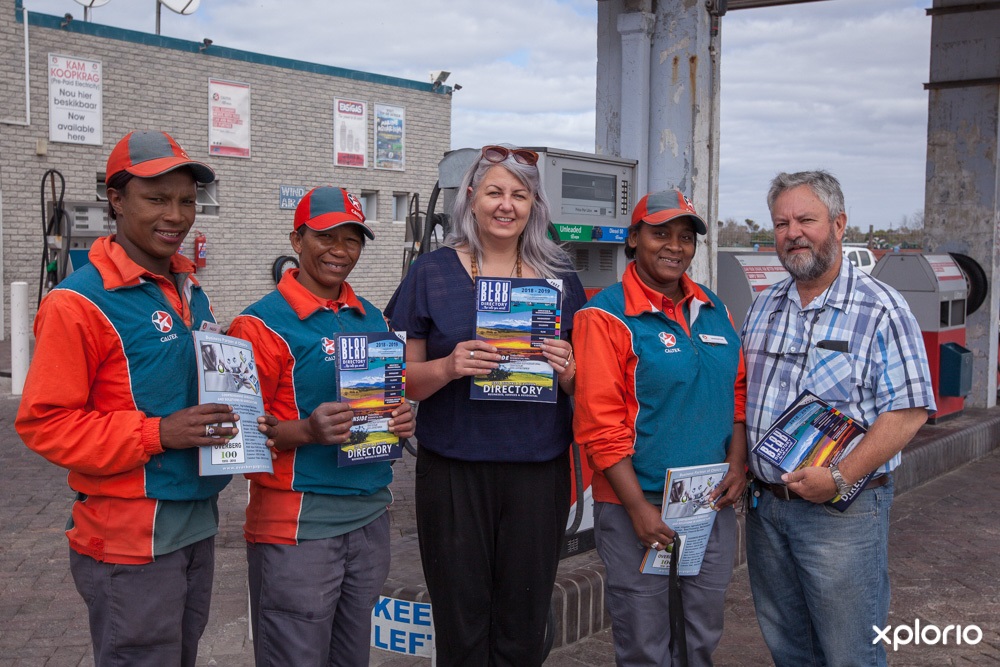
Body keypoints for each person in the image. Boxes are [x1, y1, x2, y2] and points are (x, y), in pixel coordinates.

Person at [15, 130, 248, 666]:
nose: (176, 216)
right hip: (129, 539)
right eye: (157, 199)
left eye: (187, 200)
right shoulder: (78, 302)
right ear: (116, 199)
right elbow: (45, 424)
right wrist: (158, 432)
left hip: (196, 521)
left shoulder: (188, 287)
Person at [386, 145, 586, 665]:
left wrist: (568, 369)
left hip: (537, 471)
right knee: (461, 621)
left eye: (520, 194)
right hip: (454, 471)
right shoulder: (430, 273)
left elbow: (585, 387)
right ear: (471, 199)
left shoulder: (560, 277)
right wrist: (448, 366)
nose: (506, 204)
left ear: (534, 205)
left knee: (524, 624)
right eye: (495, 192)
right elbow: (401, 382)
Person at [740, 171, 935, 666]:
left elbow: (909, 411)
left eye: (806, 220)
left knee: (850, 653)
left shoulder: (882, 309)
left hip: (840, 515)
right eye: (781, 223)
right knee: (790, 651)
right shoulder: (763, 307)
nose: (793, 234)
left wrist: (840, 477)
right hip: (768, 511)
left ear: (839, 224)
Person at [227, 186, 415, 667]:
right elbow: (234, 438)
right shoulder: (259, 324)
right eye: (326, 236)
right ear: (297, 240)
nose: (340, 250)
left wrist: (400, 417)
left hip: (370, 517)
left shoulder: (372, 317)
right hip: (298, 525)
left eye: (352, 239)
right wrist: (306, 432)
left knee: (351, 658)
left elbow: (384, 406)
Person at [573, 189, 748, 666]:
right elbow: (599, 425)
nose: (675, 246)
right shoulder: (604, 315)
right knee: (644, 643)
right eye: (661, 234)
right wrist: (637, 509)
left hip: (709, 502)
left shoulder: (713, 308)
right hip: (639, 505)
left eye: (686, 237)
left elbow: (735, 393)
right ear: (634, 239)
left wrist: (737, 462)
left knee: (701, 634)